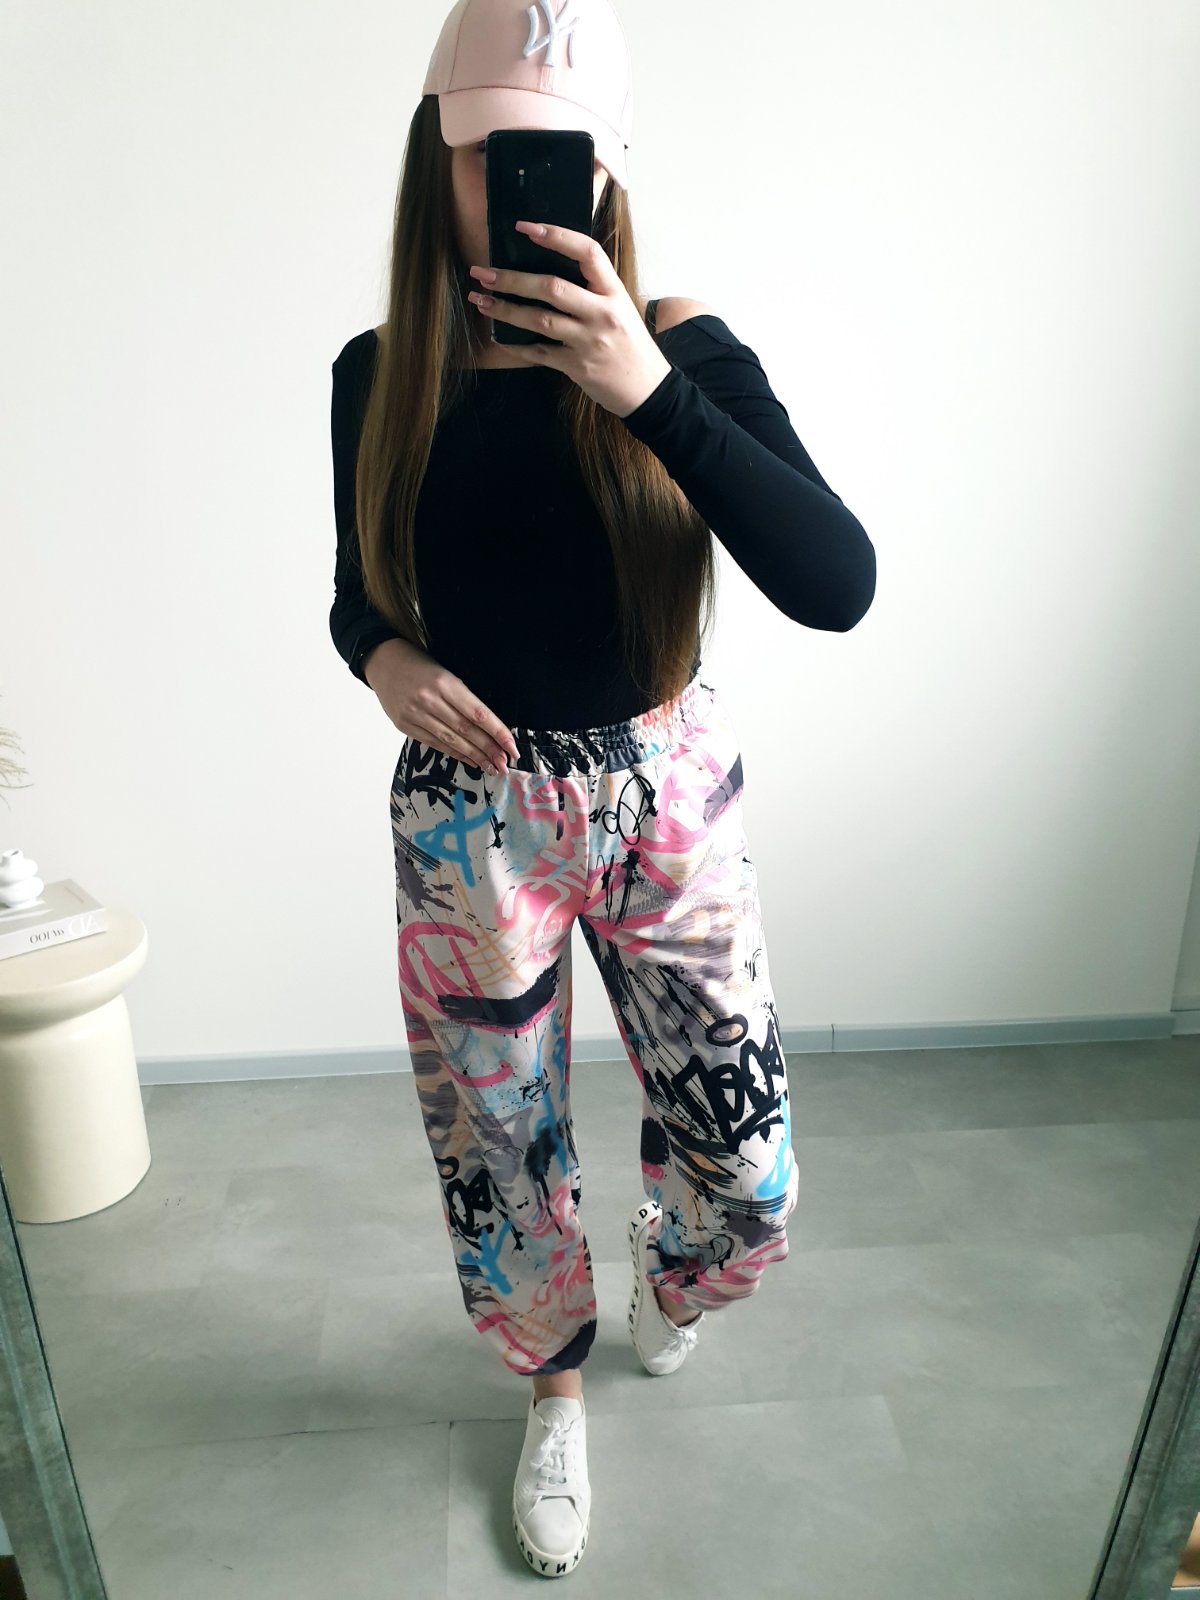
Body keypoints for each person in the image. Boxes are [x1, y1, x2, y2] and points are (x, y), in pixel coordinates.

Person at [329, 0, 875, 1579]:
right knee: (502, 1156)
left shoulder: (681, 348)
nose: (519, 182)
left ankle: (671, 1261)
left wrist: (646, 386)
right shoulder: (383, 374)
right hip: (470, 816)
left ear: (609, 170)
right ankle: (552, 1389)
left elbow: (835, 581)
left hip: (666, 796)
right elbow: (355, 597)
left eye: (554, 154)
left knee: (751, 1177)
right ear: (437, 162)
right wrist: (381, 660)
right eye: (488, 153)